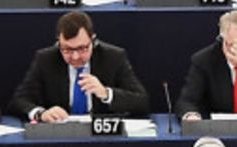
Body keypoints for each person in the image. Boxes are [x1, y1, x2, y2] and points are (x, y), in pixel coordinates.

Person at [8, 13, 148, 122]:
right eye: (67, 49)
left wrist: (106, 93)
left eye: (82, 49)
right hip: (60, 135)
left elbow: (142, 102)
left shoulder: (113, 58)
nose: (75, 57)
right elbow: (19, 100)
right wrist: (41, 114)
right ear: (59, 42)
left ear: (93, 40)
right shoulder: (46, 59)